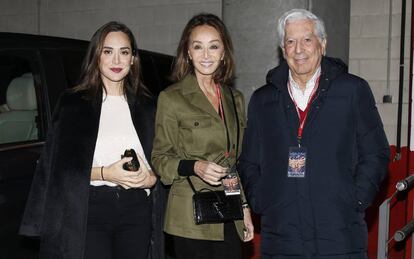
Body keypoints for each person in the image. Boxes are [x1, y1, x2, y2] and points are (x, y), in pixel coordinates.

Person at [238, 9, 390, 259]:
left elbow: (376, 153)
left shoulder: (352, 91)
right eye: (290, 41)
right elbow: (249, 161)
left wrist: (355, 200)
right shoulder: (263, 101)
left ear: (323, 43)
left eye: (307, 39)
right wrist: (261, 199)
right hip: (281, 238)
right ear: (282, 48)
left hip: (339, 236)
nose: (299, 49)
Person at [19, 21, 165, 259]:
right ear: (96, 56)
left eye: (124, 52)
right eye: (108, 51)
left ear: (133, 59)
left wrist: (152, 177)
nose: (116, 61)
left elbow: (162, 159)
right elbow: (59, 168)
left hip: (137, 209)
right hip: (90, 208)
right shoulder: (73, 104)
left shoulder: (149, 106)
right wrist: (106, 173)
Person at [151, 13, 254, 259]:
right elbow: (159, 159)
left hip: (228, 210)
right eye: (198, 47)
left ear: (223, 53)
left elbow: (232, 164)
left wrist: (244, 206)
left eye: (213, 46)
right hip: (190, 213)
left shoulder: (234, 98)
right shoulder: (172, 98)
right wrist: (195, 166)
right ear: (187, 52)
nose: (206, 55)